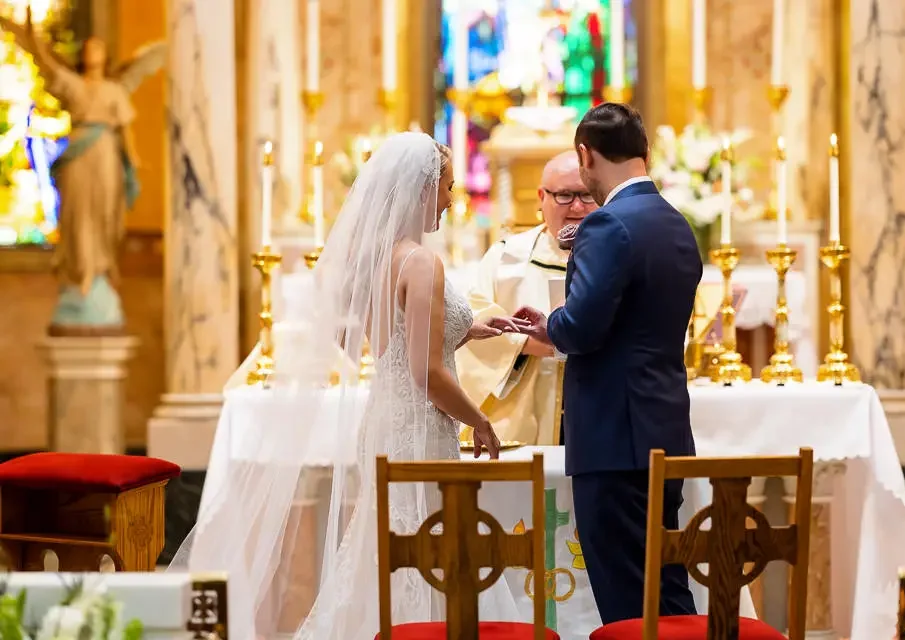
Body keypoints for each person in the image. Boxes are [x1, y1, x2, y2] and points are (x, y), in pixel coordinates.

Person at [170, 133, 527, 638]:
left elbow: (385, 341)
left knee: (386, 545)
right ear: (422, 190)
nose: (451, 199)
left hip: (386, 416)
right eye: (447, 188)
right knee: (432, 548)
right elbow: (426, 374)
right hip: (420, 427)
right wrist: (481, 420)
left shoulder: (377, 259)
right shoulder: (422, 262)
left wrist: (465, 329)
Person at [515, 103, 702, 624]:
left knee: (626, 605)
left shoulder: (608, 225)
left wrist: (550, 323)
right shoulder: (677, 224)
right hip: (663, 428)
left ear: (585, 155)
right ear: (644, 153)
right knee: (665, 593)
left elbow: (583, 328)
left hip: (613, 439)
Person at [0, 9, 163, 302]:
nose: (92, 53)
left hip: (105, 157)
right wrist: (30, 34)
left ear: (106, 56)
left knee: (103, 213)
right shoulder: (72, 84)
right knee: (78, 214)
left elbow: (125, 129)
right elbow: (45, 62)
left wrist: (135, 160)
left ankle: (100, 268)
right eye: (88, 48)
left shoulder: (113, 91)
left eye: (98, 48)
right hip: (78, 154)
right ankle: (80, 271)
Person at [457, 150, 597, 445]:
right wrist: (532, 343)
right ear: (541, 197)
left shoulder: (618, 254)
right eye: (564, 195)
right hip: (523, 414)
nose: (576, 206)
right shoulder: (508, 257)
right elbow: (472, 324)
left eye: (587, 195)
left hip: (601, 406)